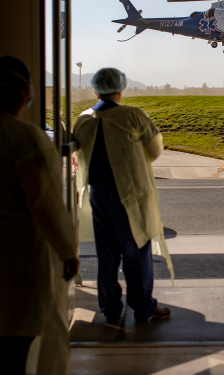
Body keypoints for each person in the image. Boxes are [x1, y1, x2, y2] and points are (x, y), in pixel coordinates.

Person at [0, 56, 79, 375]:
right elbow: (45, 204)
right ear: (24, 91)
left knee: (3, 330)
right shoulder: (27, 138)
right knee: (25, 329)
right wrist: (68, 250)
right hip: (25, 246)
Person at [73, 67, 172, 326]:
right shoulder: (133, 116)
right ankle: (143, 307)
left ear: (96, 89)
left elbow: (79, 153)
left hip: (98, 194)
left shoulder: (84, 118)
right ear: (121, 88)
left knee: (106, 254)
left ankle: (111, 310)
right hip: (130, 193)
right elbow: (154, 148)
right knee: (136, 251)